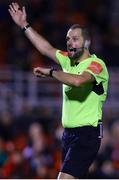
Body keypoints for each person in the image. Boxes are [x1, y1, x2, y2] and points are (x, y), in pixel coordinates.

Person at [8, 2, 109, 179]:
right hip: (68, 134)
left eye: (75, 39)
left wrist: (51, 73)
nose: (70, 43)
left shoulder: (96, 65)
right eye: (68, 39)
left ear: (87, 42)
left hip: (87, 133)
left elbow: (78, 81)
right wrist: (24, 25)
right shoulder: (67, 60)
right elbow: (46, 48)